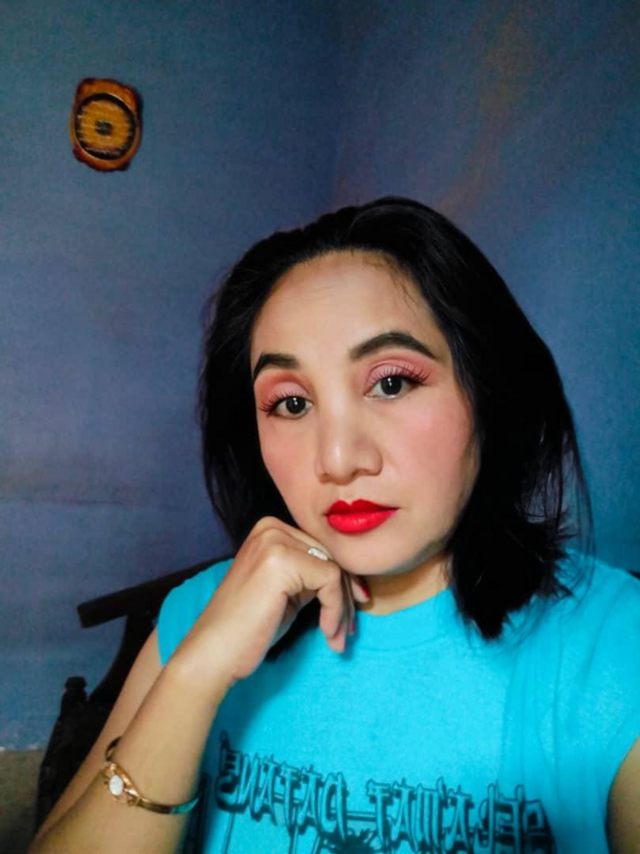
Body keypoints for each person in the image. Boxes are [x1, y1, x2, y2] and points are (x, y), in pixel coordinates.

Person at [30, 198, 639, 853]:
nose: (339, 459)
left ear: (487, 391)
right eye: (291, 403)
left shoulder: (612, 642)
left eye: (392, 384)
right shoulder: (200, 614)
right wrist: (193, 675)